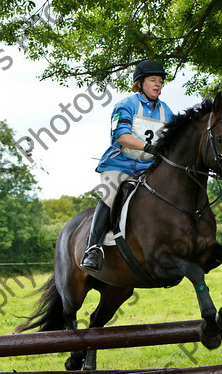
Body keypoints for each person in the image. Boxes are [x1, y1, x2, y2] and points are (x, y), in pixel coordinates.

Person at [80, 59, 175, 271]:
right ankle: (93, 247)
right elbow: (121, 136)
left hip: (147, 169)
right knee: (111, 194)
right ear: (140, 83)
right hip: (119, 165)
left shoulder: (166, 111)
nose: (158, 84)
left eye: (160, 81)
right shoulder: (126, 105)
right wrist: (148, 147)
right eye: (153, 80)